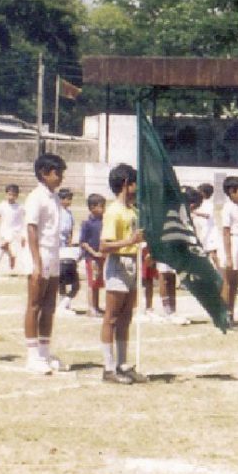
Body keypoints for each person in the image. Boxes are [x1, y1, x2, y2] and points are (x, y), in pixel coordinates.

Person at [99, 162, 145, 383]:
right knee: (112, 317)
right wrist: (130, 241)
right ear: (126, 184)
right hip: (118, 263)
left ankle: (123, 363)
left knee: (126, 317)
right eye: (135, 183)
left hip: (134, 263)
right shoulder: (114, 211)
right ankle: (108, 368)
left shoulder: (133, 210)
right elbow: (104, 246)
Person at [23, 154, 67, 375]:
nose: (60, 177)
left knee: (49, 305)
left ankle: (44, 351)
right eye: (57, 173)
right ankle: (32, 356)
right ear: (44, 173)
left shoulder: (55, 198)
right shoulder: (35, 197)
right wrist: (36, 263)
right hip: (40, 253)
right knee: (35, 304)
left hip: (54, 252)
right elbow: (31, 229)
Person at [220, 175, 238, 325]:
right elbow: (226, 232)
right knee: (228, 281)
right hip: (232, 243)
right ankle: (222, 314)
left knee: (235, 282)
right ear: (232, 191)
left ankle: (231, 313)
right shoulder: (228, 208)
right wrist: (228, 256)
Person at [78, 192, 108, 317]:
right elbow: (83, 242)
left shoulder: (104, 221)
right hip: (92, 257)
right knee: (92, 283)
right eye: (101, 206)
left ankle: (96, 306)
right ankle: (91, 307)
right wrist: (94, 253)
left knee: (98, 283)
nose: (103, 209)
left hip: (102, 256)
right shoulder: (87, 223)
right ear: (92, 207)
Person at [0, 183, 24, 275]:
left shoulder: (19, 207)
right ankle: (11, 257)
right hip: (4, 230)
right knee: (4, 248)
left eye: (13, 195)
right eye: (9, 194)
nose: (11, 197)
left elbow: (26, 215)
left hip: (14, 231)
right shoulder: (2, 205)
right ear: (6, 194)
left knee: (4, 245)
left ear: (17, 196)